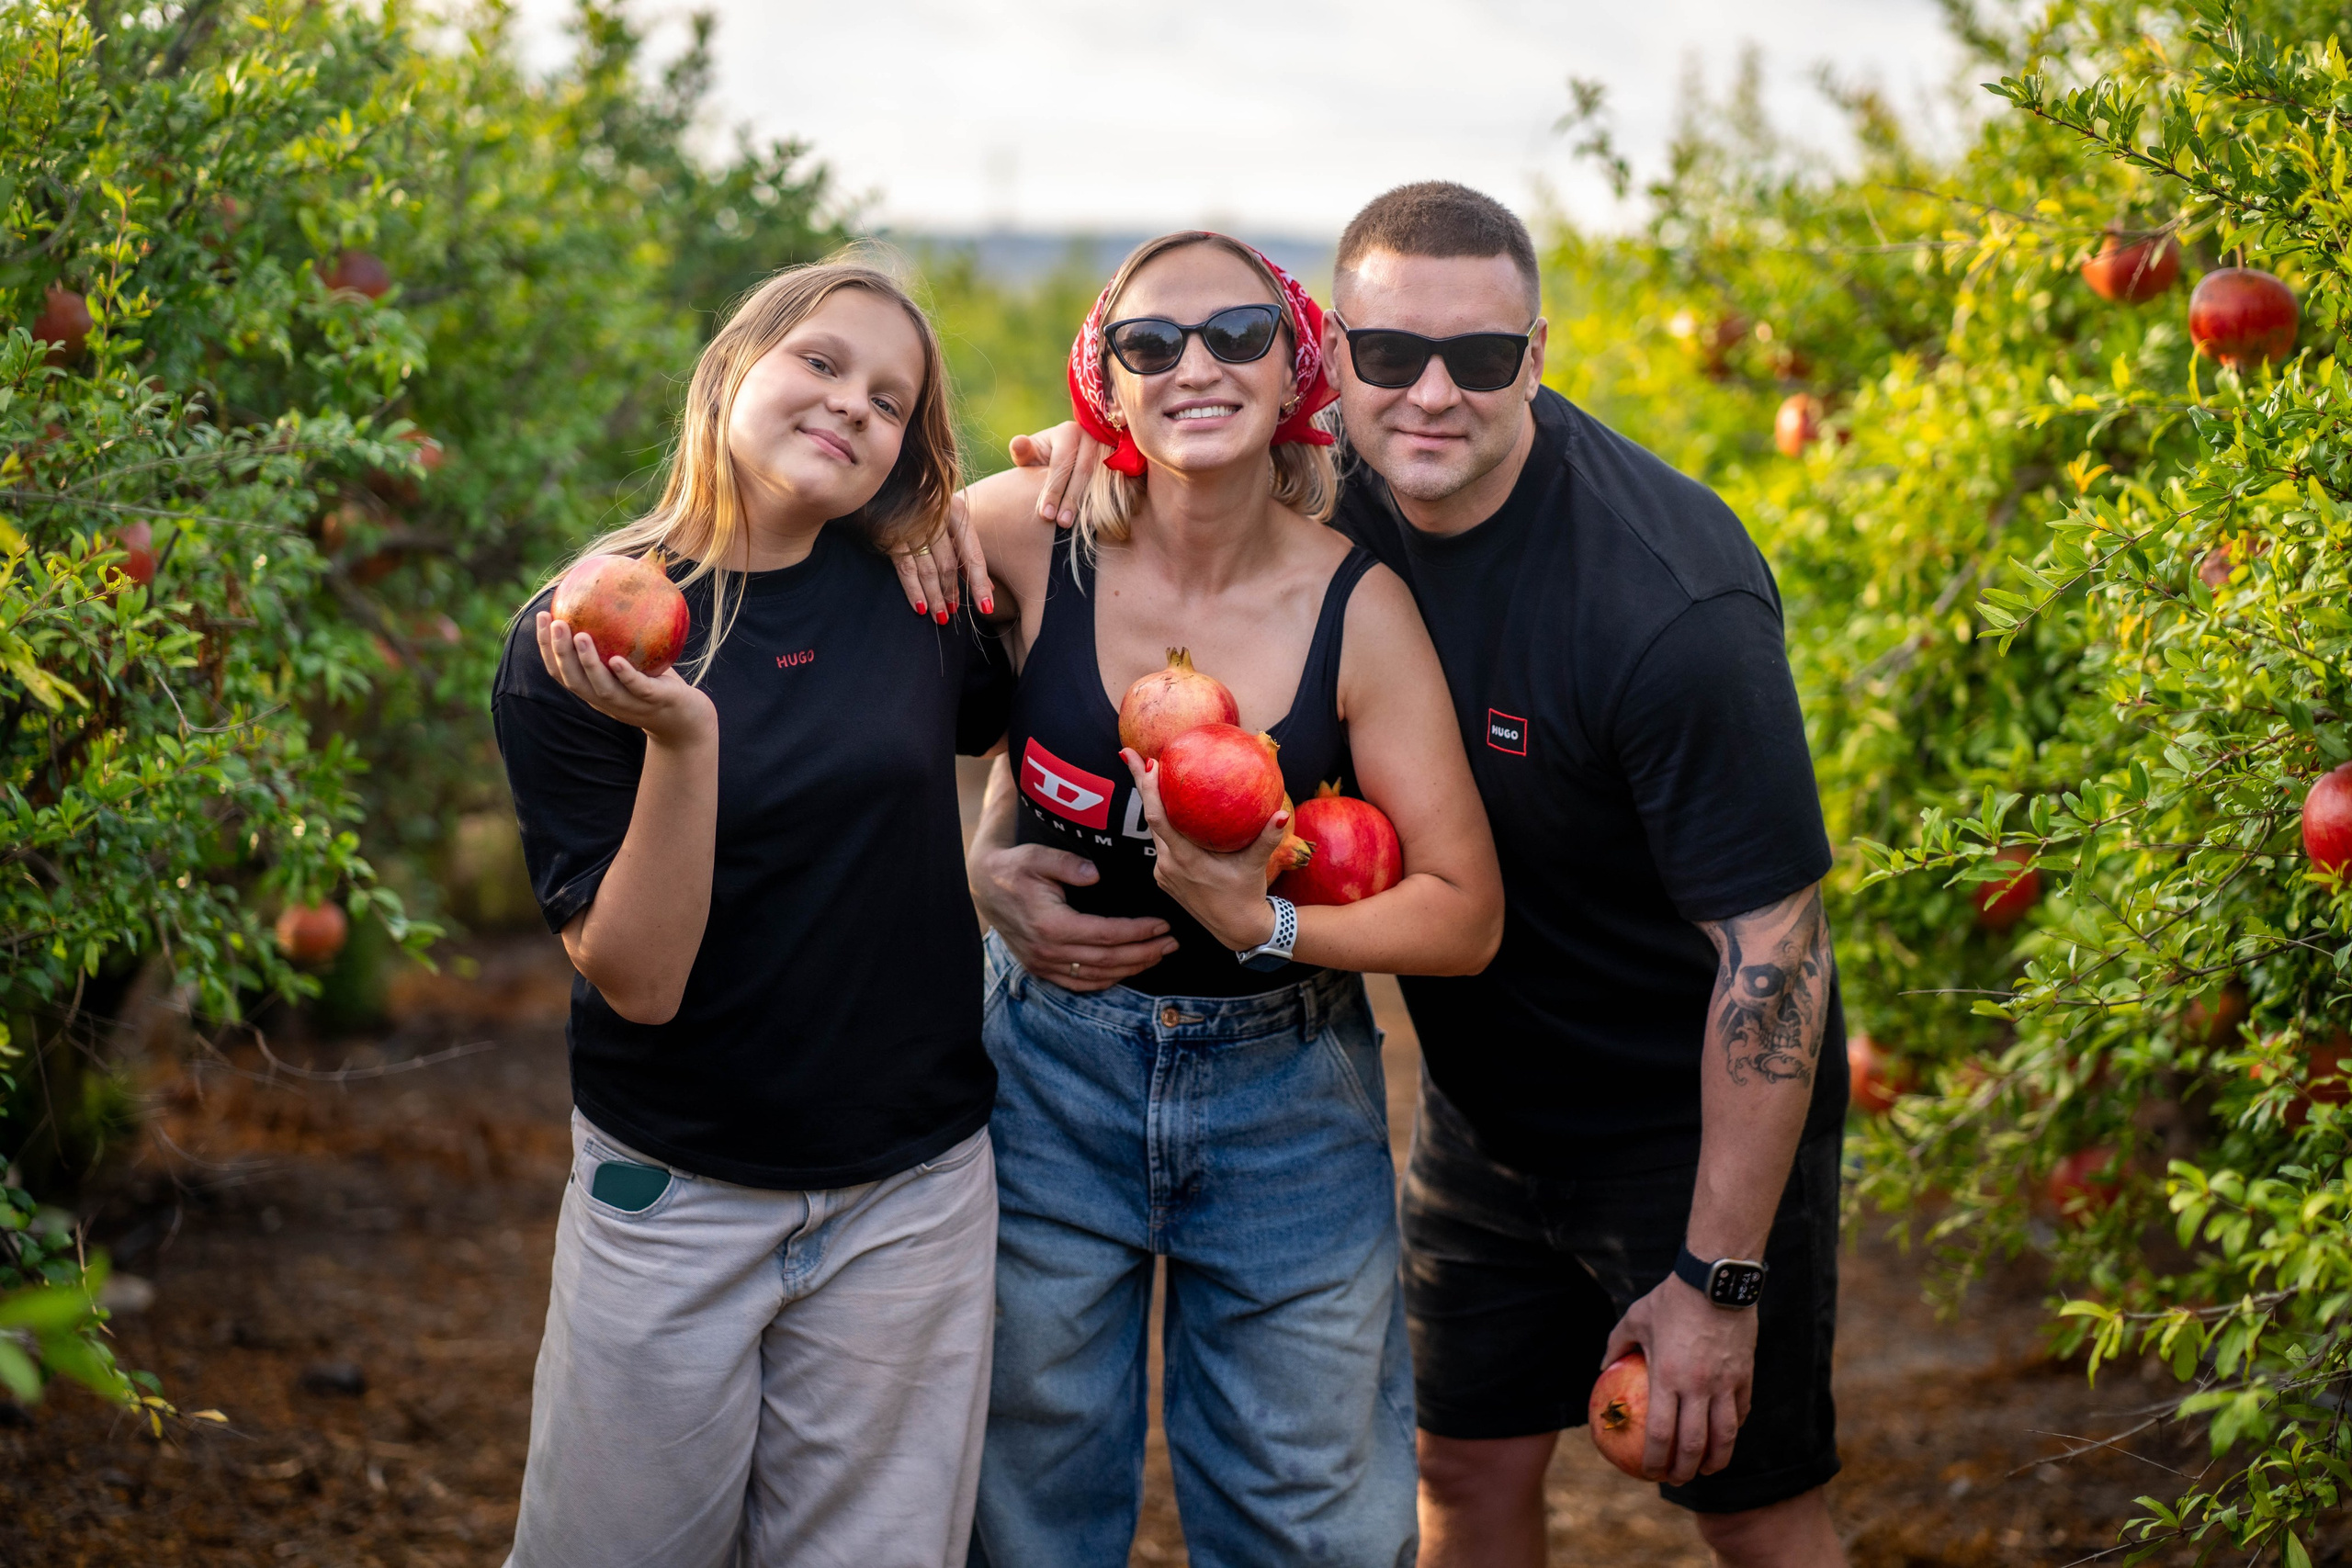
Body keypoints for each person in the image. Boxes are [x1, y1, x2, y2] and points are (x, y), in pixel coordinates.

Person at [960, 185, 1850, 1567]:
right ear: (1337, 358)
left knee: (1748, 1503)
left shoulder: (1668, 601)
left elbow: (1777, 949)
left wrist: (1720, 1277)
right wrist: (989, 847)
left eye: (1480, 357)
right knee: (1459, 1467)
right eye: (1391, 353)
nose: (1433, 393)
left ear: (1535, 358)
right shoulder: (1336, 485)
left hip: (1676, 1115)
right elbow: (1095, 637)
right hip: (1480, 1110)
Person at [949, 231, 1503, 1568]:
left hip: (1284, 1096)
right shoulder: (1018, 534)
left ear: (1296, 366)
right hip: (1043, 1076)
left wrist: (1274, 925)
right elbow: (846, 668)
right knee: (1024, 1506)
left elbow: (1464, 911)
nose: (1194, 363)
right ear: (1103, 382)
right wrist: (972, 863)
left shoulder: (1356, 606)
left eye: (1237, 334)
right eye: (1149, 343)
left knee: (1308, 1522)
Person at [491, 259, 1014, 1568]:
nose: (851, 405)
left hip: (911, 1193)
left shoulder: (918, 596)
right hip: (676, 1193)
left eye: (890, 401)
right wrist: (683, 741)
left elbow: (1064, 637)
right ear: (732, 368)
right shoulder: (587, 640)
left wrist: (1000, 855)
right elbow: (640, 980)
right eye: (821, 362)